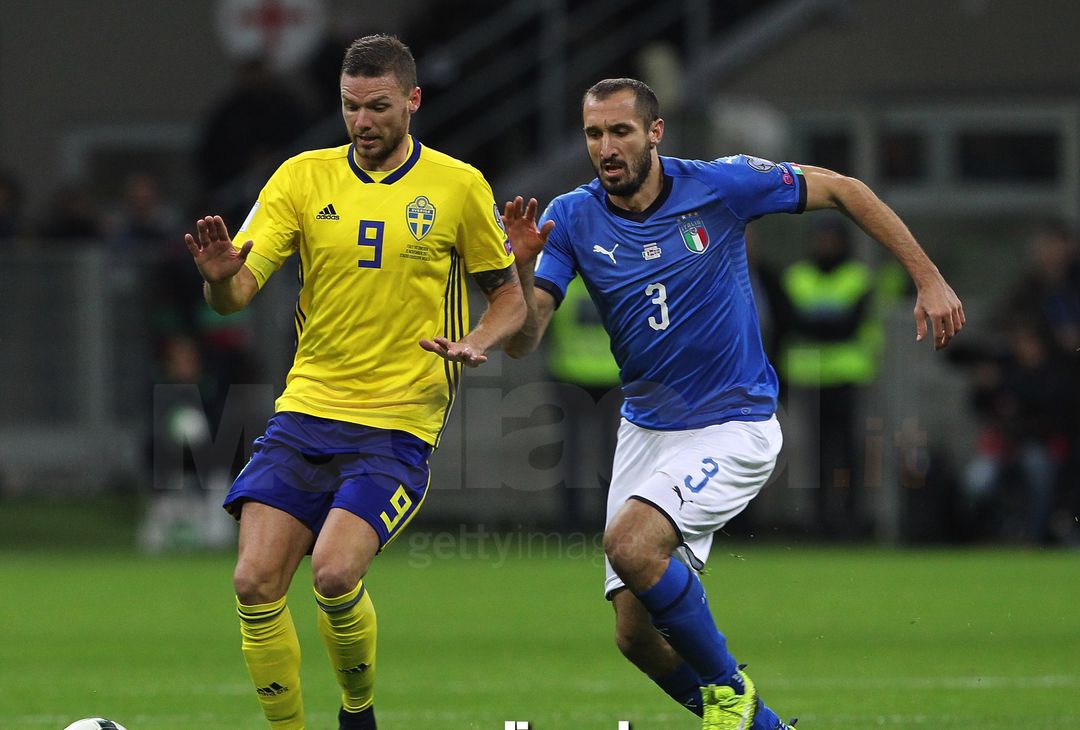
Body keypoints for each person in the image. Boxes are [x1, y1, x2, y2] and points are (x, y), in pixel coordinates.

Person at [502, 78, 963, 730]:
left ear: (654, 132)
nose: (606, 146)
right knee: (635, 638)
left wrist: (928, 276)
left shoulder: (720, 185)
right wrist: (522, 267)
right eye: (594, 133)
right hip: (645, 429)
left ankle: (728, 689)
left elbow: (842, 189)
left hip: (732, 423)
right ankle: (764, 728)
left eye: (621, 131)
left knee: (631, 545)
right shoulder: (573, 216)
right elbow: (525, 341)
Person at [183, 34, 524, 730]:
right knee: (252, 582)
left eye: (378, 107)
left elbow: (509, 299)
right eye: (350, 108)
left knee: (334, 573)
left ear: (413, 100)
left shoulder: (458, 185)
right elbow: (237, 292)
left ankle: (358, 715)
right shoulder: (301, 178)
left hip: (399, 422)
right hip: (307, 410)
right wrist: (219, 283)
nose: (363, 122)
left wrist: (475, 342)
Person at [778, 219, 880, 538]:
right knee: (814, 454)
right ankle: (819, 520)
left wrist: (813, 325)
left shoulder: (857, 278)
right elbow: (789, 322)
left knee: (848, 452)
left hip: (847, 377)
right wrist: (830, 325)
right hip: (809, 378)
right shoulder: (796, 277)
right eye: (820, 238)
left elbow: (848, 326)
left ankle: (850, 518)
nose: (824, 245)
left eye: (830, 238)